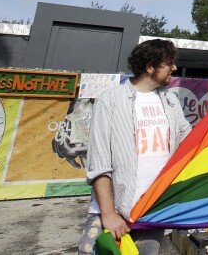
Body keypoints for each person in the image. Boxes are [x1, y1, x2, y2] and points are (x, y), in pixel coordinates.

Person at [78, 39, 192, 254]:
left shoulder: (171, 102)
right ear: (150, 67)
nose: (174, 68)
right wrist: (109, 213)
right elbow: (99, 164)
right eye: (168, 63)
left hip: (151, 212)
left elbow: (192, 140)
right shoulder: (110, 100)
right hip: (114, 212)